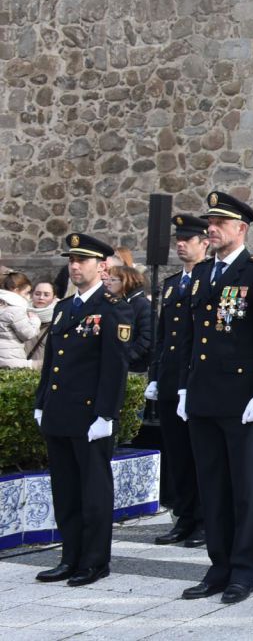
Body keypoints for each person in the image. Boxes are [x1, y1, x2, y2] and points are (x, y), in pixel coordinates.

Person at [177, 190, 253, 605]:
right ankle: (218, 565)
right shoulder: (203, 273)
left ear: (241, 229)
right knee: (212, 486)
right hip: (204, 395)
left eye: (220, 223)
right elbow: (189, 335)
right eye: (211, 222)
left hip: (241, 401)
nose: (212, 228)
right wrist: (185, 386)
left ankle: (243, 569)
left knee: (242, 489)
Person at [33, 234, 130, 586]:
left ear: (101, 266)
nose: (74, 266)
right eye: (71, 260)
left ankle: (94, 562)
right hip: (60, 412)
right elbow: (52, 363)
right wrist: (42, 401)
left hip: (90, 416)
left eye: (82, 260)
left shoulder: (113, 308)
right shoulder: (63, 308)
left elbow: (114, 367)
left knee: (93, 492)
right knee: (66, 491)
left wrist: (106, 414)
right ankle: (69, 556)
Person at [145, 215, 209, 549]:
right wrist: (155, 376)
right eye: (178, 239)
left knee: (200, 456)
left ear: (204, 243)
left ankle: (203, 519)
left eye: (188, 238)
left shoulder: (209, 279)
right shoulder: (171, 284)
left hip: (195, 382)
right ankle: (183, 517)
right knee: (178, 455)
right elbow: (163, 333)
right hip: (171, 380)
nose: (181, 244)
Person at [104, 266, 152, 374]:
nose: (107, 283)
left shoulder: (142, 304)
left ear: (126, 281)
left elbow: (147, 337)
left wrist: (127, 358)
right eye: (107, 279)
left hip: (135, 369)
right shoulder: (119, 303)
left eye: (112, 280)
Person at [0, 271, 39, 369]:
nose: (28, 297)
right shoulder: (15, 310)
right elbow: (28, 334)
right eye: (26, 293)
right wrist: (35, 320)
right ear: (16, 290)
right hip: (11, 360)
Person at [26, 280, 57, 366]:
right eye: (37, 294)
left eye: (46, 295)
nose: (41, 297)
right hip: (20, 370)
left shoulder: (59, 318)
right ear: (32, 295)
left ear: (54, 297)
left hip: (45, 370)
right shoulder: (20, 314)